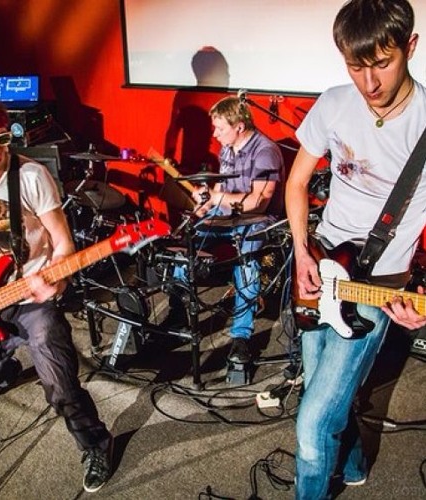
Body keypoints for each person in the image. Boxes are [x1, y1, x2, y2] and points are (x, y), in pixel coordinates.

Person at [0, 94, 113, 493]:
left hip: (32, 298)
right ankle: (1, 366)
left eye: (3, 138)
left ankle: (96, 443)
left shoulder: (30, 176)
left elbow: (63, 243)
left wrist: (56, 278)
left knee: (61, 386)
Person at [285, 1, 426, 498]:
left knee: (310, 424)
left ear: (410, 46)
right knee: (320, 394)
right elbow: (297, 183)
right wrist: (301, 252)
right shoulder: (334, 103)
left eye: (382, 64)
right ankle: (352, 462)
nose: (369, 83)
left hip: (377, 288)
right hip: (320, 268)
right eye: (355, 66)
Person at [164, 95, 284, 363]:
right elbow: (221, 188)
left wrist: (218, 199)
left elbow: (259, 202)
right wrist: (206, 204)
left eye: (220, 128)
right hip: (227, 214)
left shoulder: (265, 151)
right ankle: (178, 315)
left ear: (239, 126)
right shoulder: (227, 149)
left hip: (258, 219)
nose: (214, 135)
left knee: (246, 263)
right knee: (186, 247)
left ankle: (241, 337)